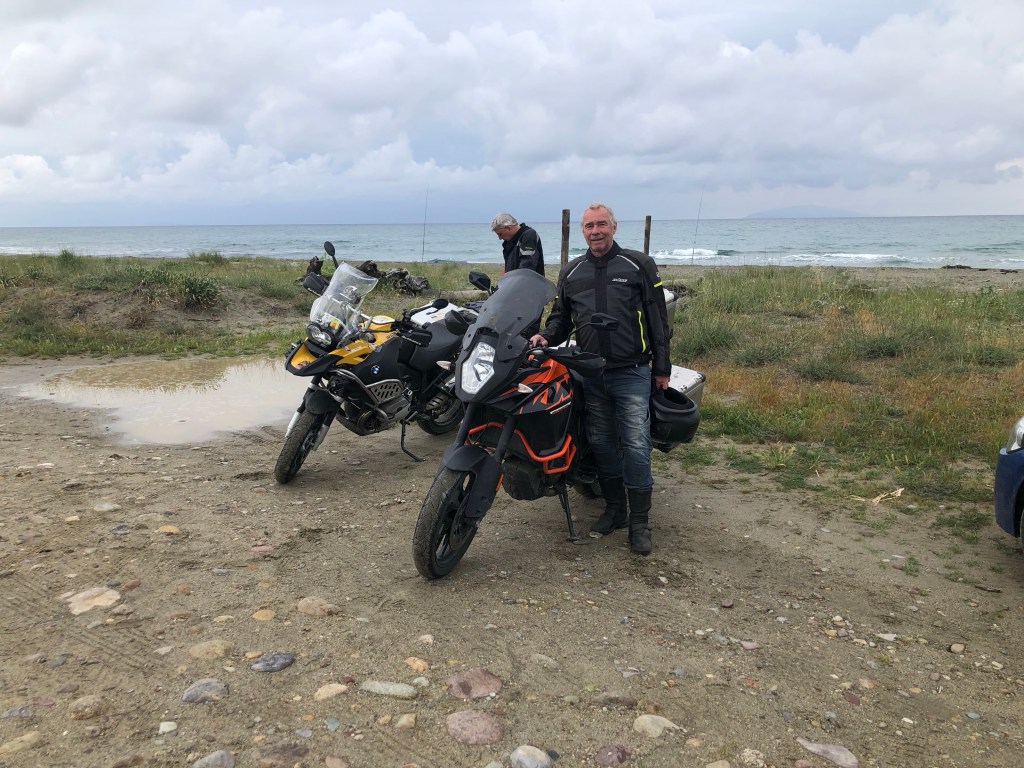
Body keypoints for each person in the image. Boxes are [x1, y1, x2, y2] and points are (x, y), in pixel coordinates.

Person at [529, 203, 671, 556]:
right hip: (590, 373)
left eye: (602, 224)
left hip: (632, 370)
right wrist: (546, 336)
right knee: (602, 442)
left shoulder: (638, 264)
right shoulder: (572, 271)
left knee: (636, 445)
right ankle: (615, 509)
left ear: (614, 227)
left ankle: (639, 523)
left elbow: (657, 319)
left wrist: (662, 367)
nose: (596, 231)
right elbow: (561, 318)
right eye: (589, 226)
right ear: (582, 231)